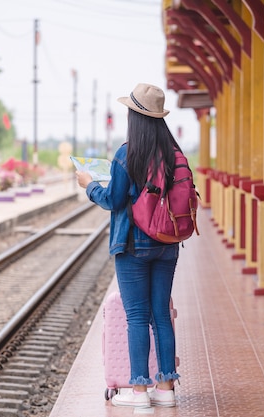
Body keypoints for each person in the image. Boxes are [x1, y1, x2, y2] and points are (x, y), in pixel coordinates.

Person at [76, 83, 181, 409]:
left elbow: (113, 199)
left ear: (134, 116)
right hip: (168, 243)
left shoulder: (127, 153)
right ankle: (166, 389)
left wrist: (89, 185)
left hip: (134, 245)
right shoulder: (175, 153)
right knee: (161, 315)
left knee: (137, 317)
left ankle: (139, 395)